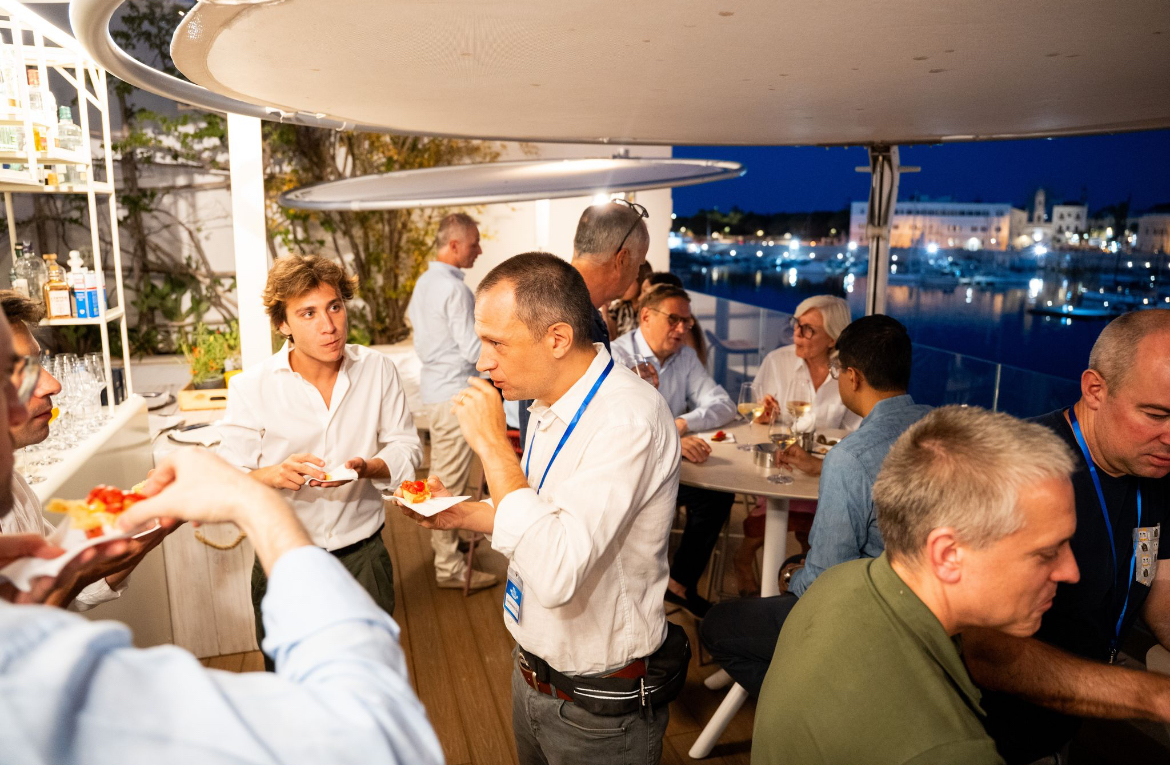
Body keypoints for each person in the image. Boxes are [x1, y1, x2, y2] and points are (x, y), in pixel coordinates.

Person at [399, 252, 685, 765]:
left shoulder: (627, 419)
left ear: (557, 339)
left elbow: (556, 571)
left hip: (597, 707)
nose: (482, 362)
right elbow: (538, 512)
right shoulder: (550, 400)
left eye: (496, 343)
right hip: (532, 673)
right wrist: (464, 513)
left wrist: (492, 447)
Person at [0, 446, 445, 764]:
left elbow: (74, 593)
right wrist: (258, 506)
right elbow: (373, 738)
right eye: (9, 375)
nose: (51, 385)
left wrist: (60, 583)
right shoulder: (32, 682)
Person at [753, 406, 1080, 765]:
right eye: (1047, 552)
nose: (1071, 571)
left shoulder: (836, 581)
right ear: (948, 555)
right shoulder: (950, 751)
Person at [965, 309, 1170, 764]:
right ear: (1094, 389)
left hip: (1064, 723)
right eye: (1156, 414)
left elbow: (1162, 591)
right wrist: (1155, 696)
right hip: (981, 738)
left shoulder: (1155, 472)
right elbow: (987, 652)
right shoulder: (1019, 470)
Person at [700, 314, 932, 695]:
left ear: (853, 377)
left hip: (866, 615)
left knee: (717, 625)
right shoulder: (942, 430)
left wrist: (790, 577)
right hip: (929, 610)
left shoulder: (850, 458)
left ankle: (816, 701)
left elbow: (824, 580)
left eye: (838, 371)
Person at [218, 254, 422, 670]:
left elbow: (406, 447)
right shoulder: (251, 387)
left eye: (334, 307)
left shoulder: (378, 370)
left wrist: (368, 467)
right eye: (308, 313)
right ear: (283, 324)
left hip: (364, 558)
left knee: (371, 675)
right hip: (284, 560)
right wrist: (274, 474)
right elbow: (228, 480)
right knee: (290, 677)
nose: (329, 326)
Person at [0, 291, 168, 609]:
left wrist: (144, 526)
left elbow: (66, 587)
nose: (53, 385)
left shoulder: (13, 486)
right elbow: (22, 627)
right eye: (20, 373)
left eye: (39, 364)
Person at [612, 284, 736, 618]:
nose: (682, 329)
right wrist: (673, 438)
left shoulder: (685, 357)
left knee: (718, 496)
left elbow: (723, 404)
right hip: (627, 470)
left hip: (666, 465)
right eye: (674, 320)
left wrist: (681, 423)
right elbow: (619, 426)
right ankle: (632, 593)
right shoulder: (617, 357)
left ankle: (678, 583)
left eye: (687, 321)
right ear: (646, 316)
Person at [406, 212, 498, 591]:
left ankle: (453, 543)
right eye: (475, 243)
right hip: (454, 393)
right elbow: (473, 349)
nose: (479, 250)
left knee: (446, 474)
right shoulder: (454, 290)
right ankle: (448, 567)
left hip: (437, 389)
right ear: (455, 245)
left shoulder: (425, 283)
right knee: (448, 480)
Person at [516, 199, 650, 447]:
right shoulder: (575, 318)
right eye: (639, 264)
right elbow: (578, 417)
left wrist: (621, 381)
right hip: (568, 463)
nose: (637, 275)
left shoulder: (547, 298)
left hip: (541, 457)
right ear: (622, 259)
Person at [754, 294, 860, 432]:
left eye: (808, 329)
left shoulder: (849, 374)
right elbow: (754, 415)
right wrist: (762, 415)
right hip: (782, 444)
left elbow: (854, 432)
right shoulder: (775, 361)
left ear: (832, 339)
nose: (797, 333)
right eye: (797, 323)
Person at [605, 261, 652, 340]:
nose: (622, 285)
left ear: (641, 280)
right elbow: (610, 338)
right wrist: (605, 309)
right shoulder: (617, 309)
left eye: (627, 280)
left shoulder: (651, 311)